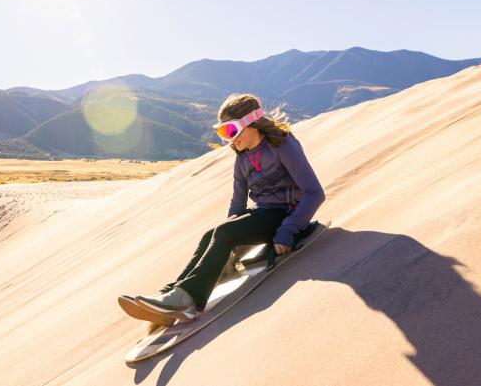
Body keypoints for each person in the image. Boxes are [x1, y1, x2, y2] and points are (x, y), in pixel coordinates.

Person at [119, 93, 326, 326]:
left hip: (287, 214)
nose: (229, 140)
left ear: (250, 123)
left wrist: (288, 230)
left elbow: (315, 193)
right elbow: (237, 205)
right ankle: (170, 294)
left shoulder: (283, 145)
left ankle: (187, 301)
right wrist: (232, 237)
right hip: (263, 213)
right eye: (222, 133)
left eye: (231, 131)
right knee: (213, 233)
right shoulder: (242, 159)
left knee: (224, 233)